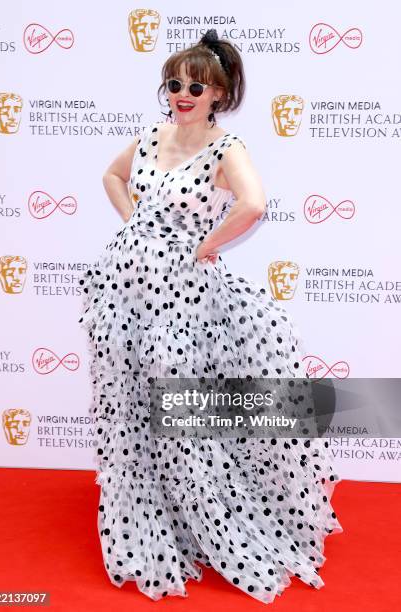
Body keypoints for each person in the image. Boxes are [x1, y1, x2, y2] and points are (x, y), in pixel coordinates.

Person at [77, 28, 343, 604]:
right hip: (127, 292)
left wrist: (205, 245)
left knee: (179, 408)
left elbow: (254, 205)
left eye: (196, 85)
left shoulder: (227, 148)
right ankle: (152, 516)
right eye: (174, 83)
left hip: (182, 298)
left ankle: (209, 519)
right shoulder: (151, 136)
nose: (182, 93)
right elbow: (111, 176)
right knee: (129, 405)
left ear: (219, 93)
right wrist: (134, 224)